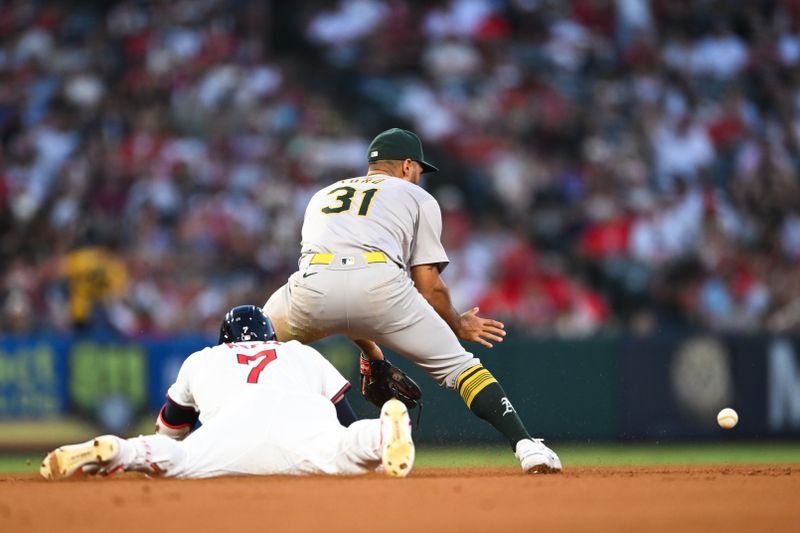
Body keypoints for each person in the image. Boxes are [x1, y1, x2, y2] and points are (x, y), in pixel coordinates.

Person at [263, 128, 561, 473]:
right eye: (419, 169)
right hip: (380, 286)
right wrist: (457, 322)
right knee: (462, 368)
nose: (419, 176)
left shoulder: (322, 195)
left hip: (311, 288)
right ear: (407, 165)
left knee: (245, 347)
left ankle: (194, 440)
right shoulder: (417, 197)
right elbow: (428, 285)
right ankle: (528, 448)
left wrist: (371, 352)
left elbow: (338, 291)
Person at [40, 305, 415, 480]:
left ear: (224, 340)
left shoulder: (204, 358)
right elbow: (344, 420)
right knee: (349, 448)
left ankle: (122, 450)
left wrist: (172, 447)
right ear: (271, 337)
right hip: (301, 416)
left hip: (234, 424)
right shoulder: (299, 352)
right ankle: (385, 430)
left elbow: (172, 430)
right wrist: (368, 453)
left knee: (179, 458)